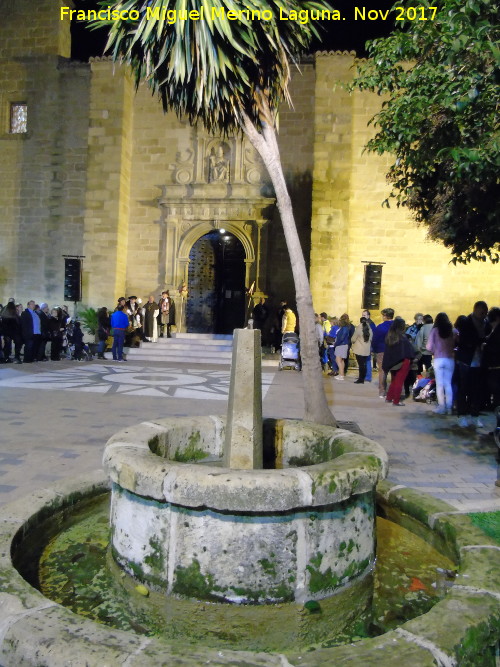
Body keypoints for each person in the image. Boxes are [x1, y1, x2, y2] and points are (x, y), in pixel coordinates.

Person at [455, 300, 489, 428]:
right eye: (482, 312)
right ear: (475, 310)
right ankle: (462, 415)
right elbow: (464, 340)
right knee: (464, 388)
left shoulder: (486, 323)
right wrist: (481, 341)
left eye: (485, 313)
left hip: (480, 361)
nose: (483, 315)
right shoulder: (466, 322)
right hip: (466, 360)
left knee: (477, 390)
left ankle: (474, 415)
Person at [426, 313, 457, 414]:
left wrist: (434, 350)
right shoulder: (453, 331)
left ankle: (441, 407)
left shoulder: (434, 331)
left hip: (438, 359)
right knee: (448, 384)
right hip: (450, 359)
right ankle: (449, 408)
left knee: (439, 384)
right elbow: (459, 343)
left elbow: (428, 347)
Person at [383, 317, 416, 406]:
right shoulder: (402, 338)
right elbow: (409, 351)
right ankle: (396, 400)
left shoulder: (389, 336)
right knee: (399, 381)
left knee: (394, 380)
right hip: (403, 361)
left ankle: (389, 397)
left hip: (392, 362)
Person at [372, 308, 395, 398]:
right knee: (394, 372)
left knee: (382, 371)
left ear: (385, 316)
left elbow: (375, 340)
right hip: (394, 351)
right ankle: (394, 391)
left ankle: (382, 391)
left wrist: (374, 350)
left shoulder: (381, 327)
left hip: (382, 351)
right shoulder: (396, 326)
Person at [483, 307, 500, 411]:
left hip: (496, 365)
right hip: (494, 365)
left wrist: (486, 346)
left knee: (497, 391)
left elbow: (496, 347)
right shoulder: (494, 329)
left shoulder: (498, 330)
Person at [352, 317, 373, 384]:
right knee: (364, 364)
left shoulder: (358, 328)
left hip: (359, 349)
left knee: (361, 365)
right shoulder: (369, 329)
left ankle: (361, 379)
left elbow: (353, 339)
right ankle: (363, 378)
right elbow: (371, 338)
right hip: (366, 349)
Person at [333, 314, 351, 381]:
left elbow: (341, 338)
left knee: (338, 360)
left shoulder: (343, 328)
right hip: (344, 345)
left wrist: (336, 344)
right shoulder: (347, 327)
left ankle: (341, 375)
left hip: (341, 345)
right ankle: (341, 374)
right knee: (342, 360)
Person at [361, 309, 376, 381]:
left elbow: (373, 336)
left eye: (364, 315)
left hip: (368, 345)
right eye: (362, 315)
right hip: (364, 344)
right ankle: (364, 375)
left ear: (368, 316)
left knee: (367, 360)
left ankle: (368, 376)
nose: (363, 316)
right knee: (364, 361)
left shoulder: (371, 324)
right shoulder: (365, 323)